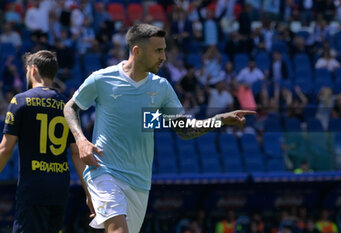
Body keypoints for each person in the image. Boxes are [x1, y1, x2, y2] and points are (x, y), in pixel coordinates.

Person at [63, 23, 255, 233]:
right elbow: (71, 107)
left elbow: (185, 130)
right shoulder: (102, 79)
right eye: (158, 51)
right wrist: (80, 139)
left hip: (139, 181)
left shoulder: (161, 87)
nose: (163, 57)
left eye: (164, 50)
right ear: (137, 51)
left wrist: (219, 120)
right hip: (104, 170)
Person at [0, 50, 92, 233]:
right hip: (59, 189)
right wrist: (89, 193)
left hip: (32, 188)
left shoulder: (20, 101)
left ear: (33, 70)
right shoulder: (68, 105)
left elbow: (5, 148)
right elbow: (76, 153)